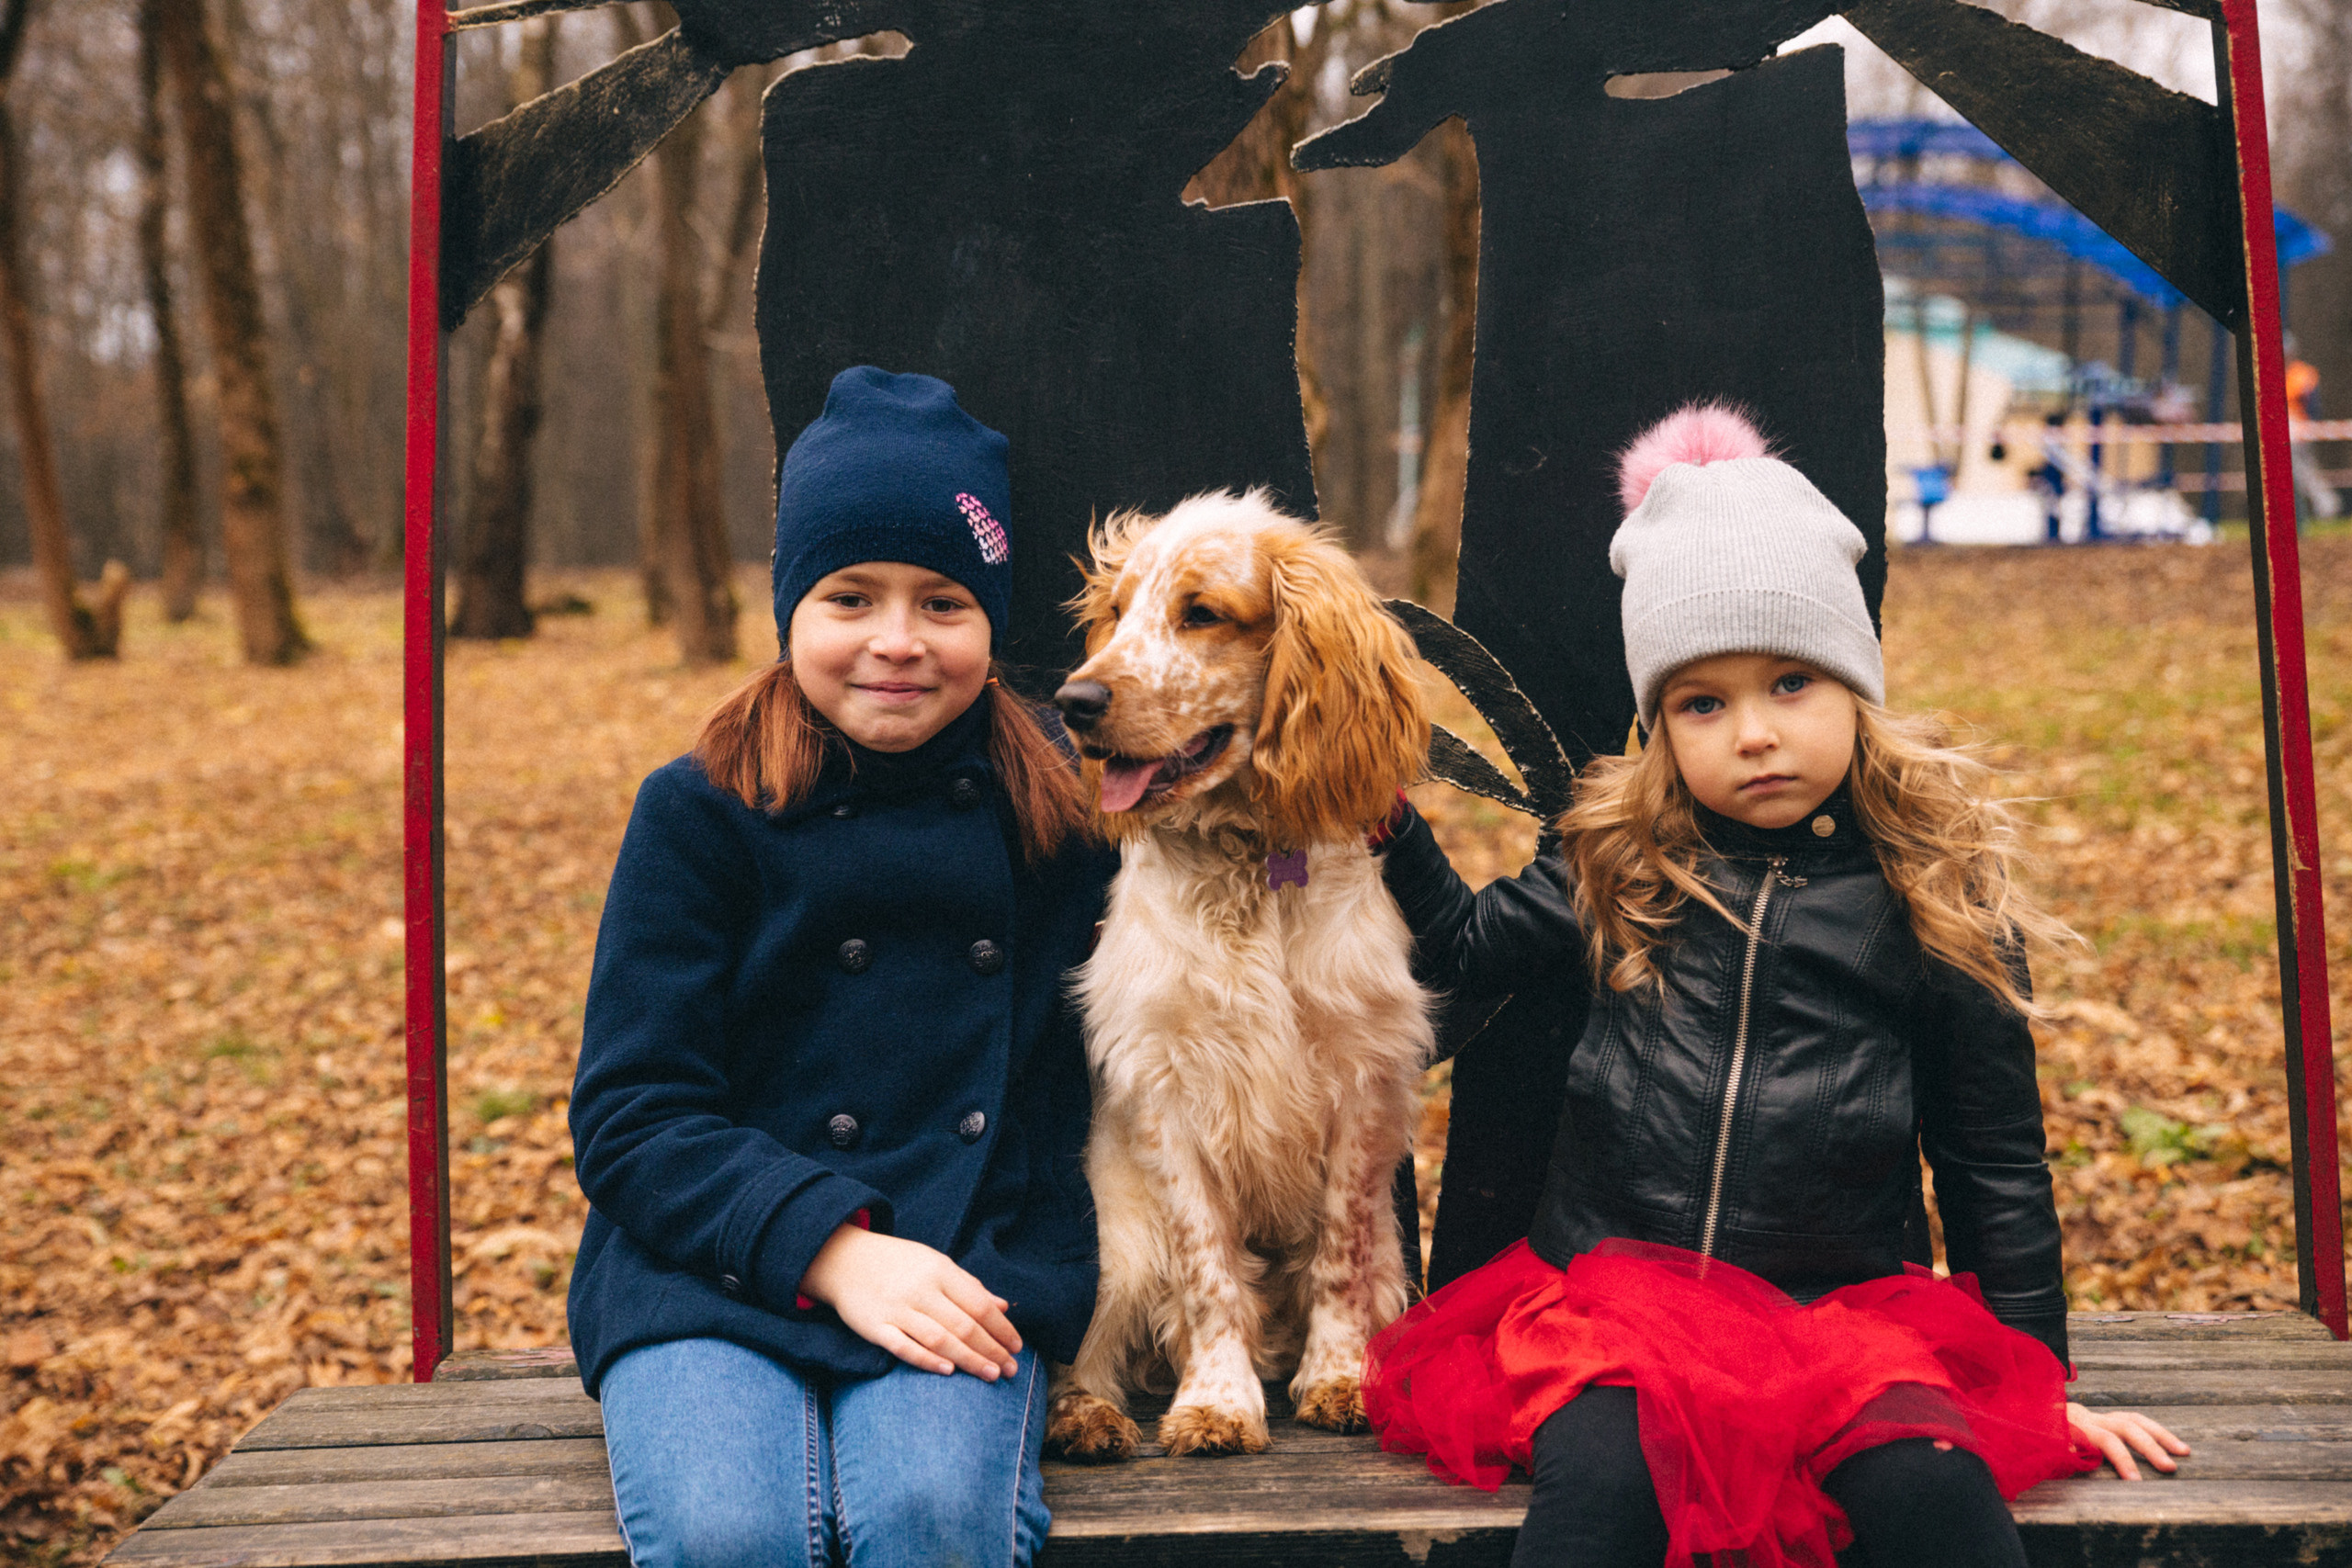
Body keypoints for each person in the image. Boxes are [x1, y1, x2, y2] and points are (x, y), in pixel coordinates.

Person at [1363, 403, 2188, 1568]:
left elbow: (1993, 1160)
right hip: (1616, 1313)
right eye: (1703, 702)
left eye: (1791, 683)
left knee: (1940, 1505)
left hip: (1842, 1317)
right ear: (1659, 725)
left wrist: (2034, 1386)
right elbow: (1453, 956)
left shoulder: (1932, 898)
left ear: (1855, 686)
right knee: (1600, 1500)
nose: (1754, 733)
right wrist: (1383, 820)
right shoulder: (1612, 860)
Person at [567, 367, 1116, 1568]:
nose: (898, 642)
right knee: (727, 1531)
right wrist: (832, 1244)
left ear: (991, 621)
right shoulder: (697, 812)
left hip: (961, 1249)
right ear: (788, 611)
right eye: (850, 597)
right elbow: (631, 1112)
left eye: (945, 603)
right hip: (707, 1262)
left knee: (932, 1520)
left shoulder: (1064, 825)